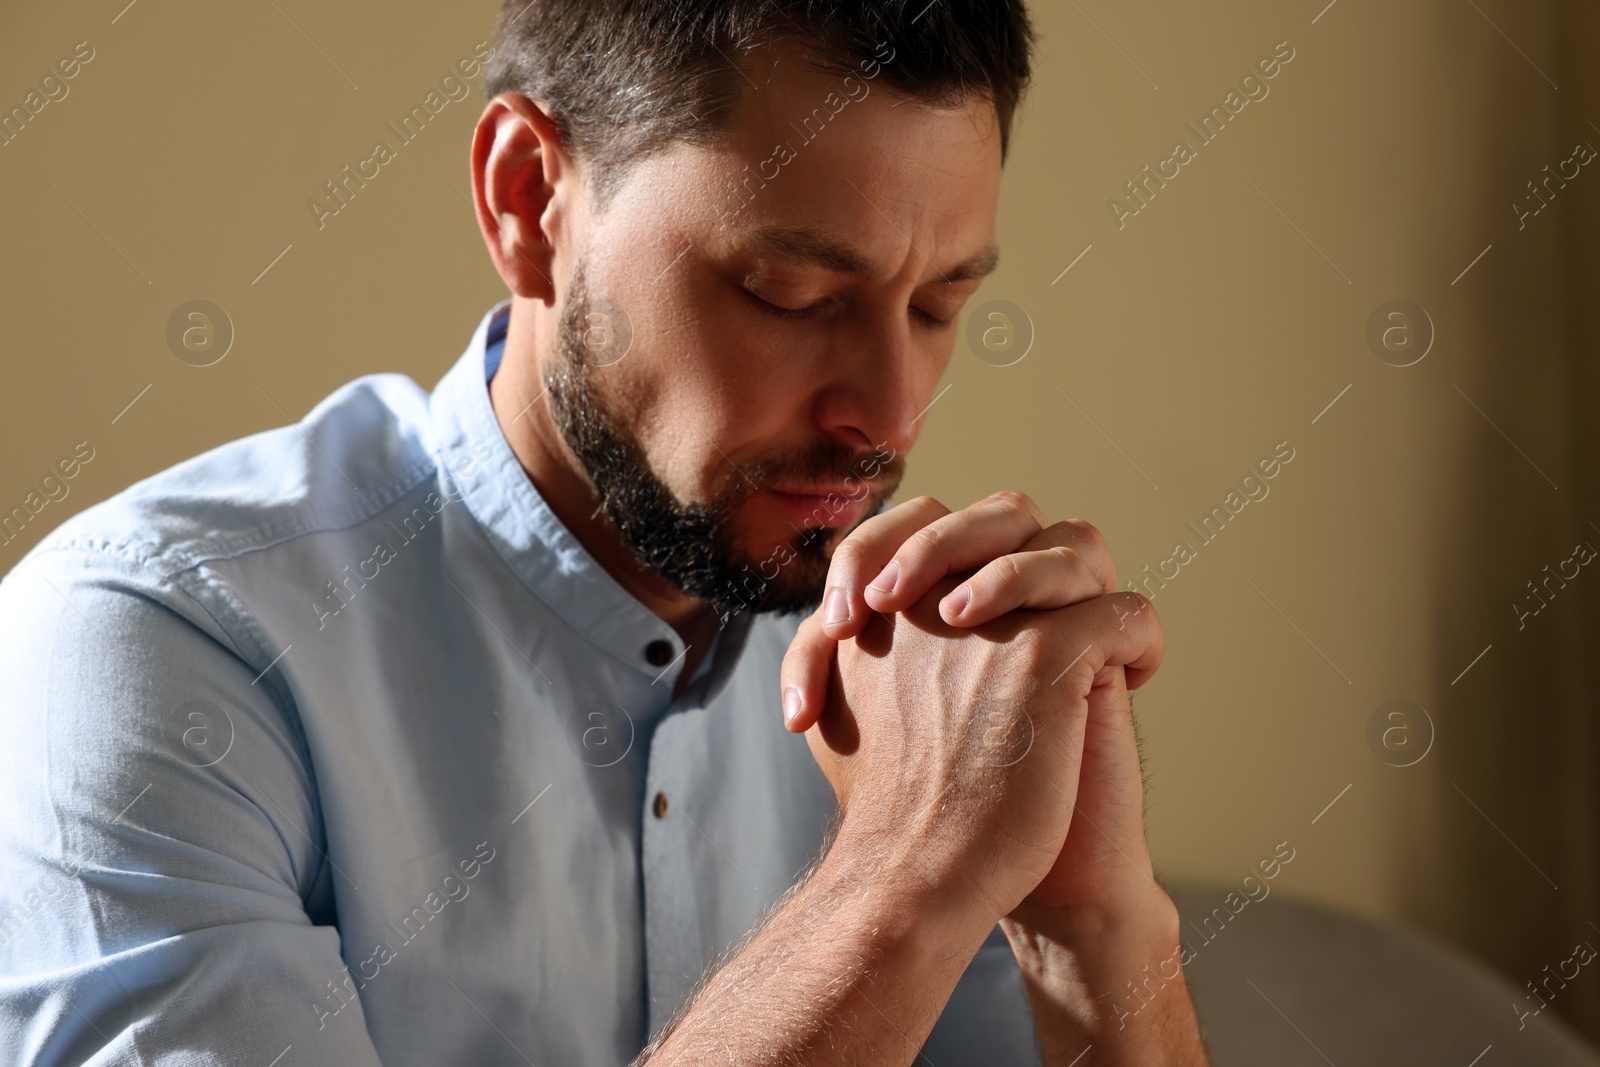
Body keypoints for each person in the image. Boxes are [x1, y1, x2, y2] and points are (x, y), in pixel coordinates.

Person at [0, 1, 1209, 1063]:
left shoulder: (931, 677)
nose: (890, 416)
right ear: (528, 200)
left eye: (941, 302)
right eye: (789, 295)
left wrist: (1095, 926)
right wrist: (898, 878)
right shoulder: (143, 651)